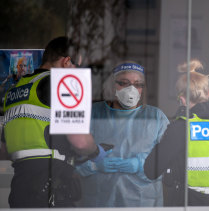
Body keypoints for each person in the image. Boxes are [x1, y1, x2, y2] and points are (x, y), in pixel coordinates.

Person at [0, 36, 110, 208]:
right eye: (77, 65)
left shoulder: (14, 91)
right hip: (51, 186)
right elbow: (80, 141)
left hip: (20, 187)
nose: (77, 70)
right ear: (67, 62)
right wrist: (96, 152)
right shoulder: (64, 84)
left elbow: (4, 150)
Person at [144, 59, 209, 206]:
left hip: (188, 204)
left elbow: (150, 170)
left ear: (182, 99)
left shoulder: (181, 128)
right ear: (208, 93)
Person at [75, 62, 169, 207]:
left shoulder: (156, 118)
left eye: (138, 85)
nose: (132, 89)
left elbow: (168, 164)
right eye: (124, 83)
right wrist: (93, 165)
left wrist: (141, 165)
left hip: (142, 202)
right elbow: (72, 158)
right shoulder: (93, 114)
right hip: (100, 202)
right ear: (113, 86)